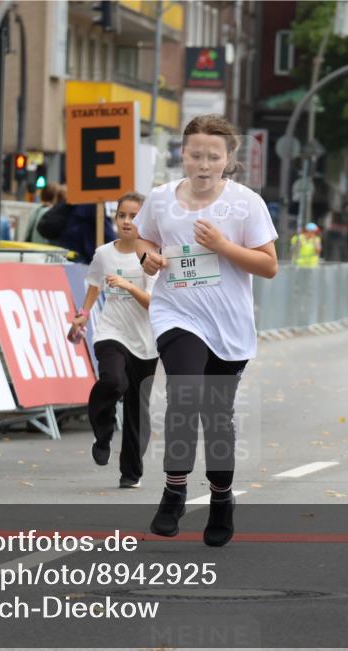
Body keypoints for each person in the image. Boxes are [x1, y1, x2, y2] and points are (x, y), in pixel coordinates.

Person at [133, 114, 279, 547]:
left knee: (217, 416)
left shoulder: (246, 203)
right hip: (176, 313)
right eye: (195, 155)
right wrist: (146, 257)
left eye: (213, 157)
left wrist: (223, 246)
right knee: (184, 396)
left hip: (229, 325)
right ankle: (174, 490)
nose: (203, 164)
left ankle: (221, 499)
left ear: (228, 159)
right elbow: (143, 238)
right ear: (182, 154)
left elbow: (268, 265)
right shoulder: (161, 199)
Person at [71, 192, 158, 489]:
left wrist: (127, 286)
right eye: (122, 215)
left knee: (136, 410)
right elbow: (94, 285)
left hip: (145, 341)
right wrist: (83, 314)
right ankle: (103, 431)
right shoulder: (104, 254)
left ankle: (131, 473)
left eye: (133, 216)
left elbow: (153, 303)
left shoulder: (152, 257)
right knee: (113, 380)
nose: (126, 221)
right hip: (111, 331)